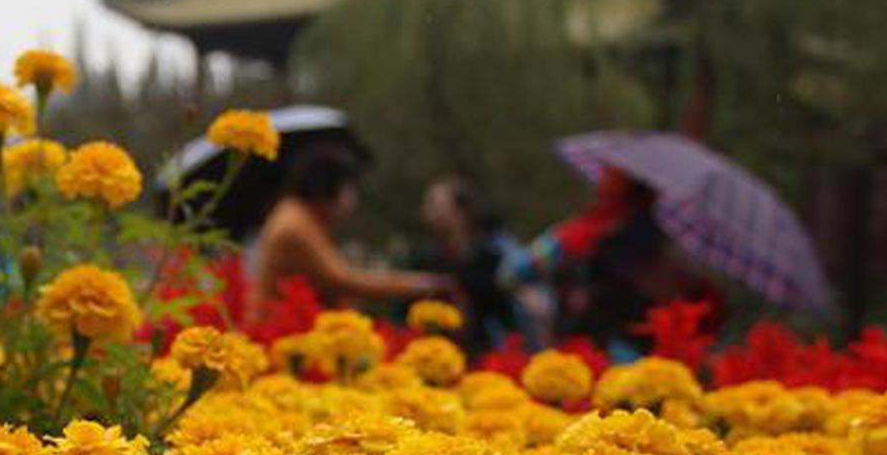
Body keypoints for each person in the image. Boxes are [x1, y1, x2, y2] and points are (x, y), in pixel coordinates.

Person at [500, 167, 714, 359]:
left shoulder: (586, 230)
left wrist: (541, 300)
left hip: (587, 347)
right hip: (635, 352)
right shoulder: (670, 237)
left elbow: (512, 272)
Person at [249, 144, 451, 321]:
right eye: (350, 190)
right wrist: (418, 285)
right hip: (277, 331)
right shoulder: (295, 226)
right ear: (329, 187)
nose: (353, 201)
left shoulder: (300, 217)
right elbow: (343, 282)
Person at [411, 176, 532, 351]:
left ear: (461, 213)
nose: (427, 212)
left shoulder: (490, 260)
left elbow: (506, 316)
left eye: (434, 206)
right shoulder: (421, 260)